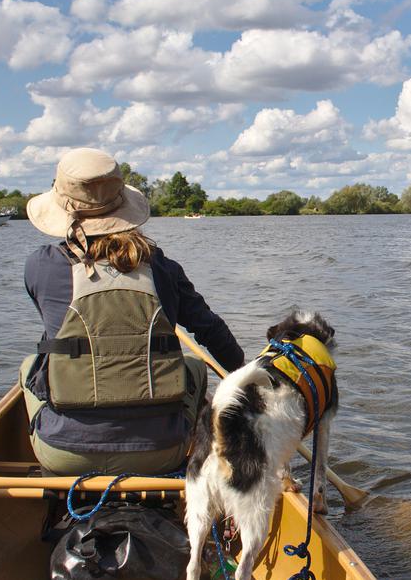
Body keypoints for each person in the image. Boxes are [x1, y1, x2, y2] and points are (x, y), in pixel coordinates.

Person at [20, 147, 244, 475]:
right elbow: (211, 330)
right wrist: (246, 377)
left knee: (30, 365)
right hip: (163, 451)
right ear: (123, 206)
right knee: (195, 367)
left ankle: (58, 468)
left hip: (63, 454)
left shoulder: (41, 265)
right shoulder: (162, 266)